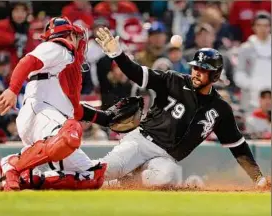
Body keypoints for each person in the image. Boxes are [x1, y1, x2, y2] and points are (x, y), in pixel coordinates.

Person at [94, 27, 270, 189]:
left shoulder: (220, 109)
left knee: (167, 178)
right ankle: (72, 174)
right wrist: (118, 54)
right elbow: (138, 73)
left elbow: (238, 146)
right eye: (196, 67)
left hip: (165, 157)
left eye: (204, 69)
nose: (197, 72)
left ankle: (119, 183)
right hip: (142, 142)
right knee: (105, 171)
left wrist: (258, 178)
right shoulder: (174, 80)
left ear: (215, 75)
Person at [0, 17, 121, 191]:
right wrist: (12, 90)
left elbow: (75, 110)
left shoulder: (63, 68)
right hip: (40, 113)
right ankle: (13, 164)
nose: (79, 40)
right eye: (76, 36)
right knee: (70, 133)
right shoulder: (59, 47)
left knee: (92, 176)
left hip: (49, 121)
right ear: (69, 34)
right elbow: (27, 61)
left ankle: (29, 179)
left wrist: (105, 118)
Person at [234, 12, 271, 110]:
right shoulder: (245, 48)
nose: (263, 29)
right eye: (259, 25)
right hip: (252, 97)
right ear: (254, 27)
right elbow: (239, 73)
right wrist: (251, 84)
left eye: (266, 25)